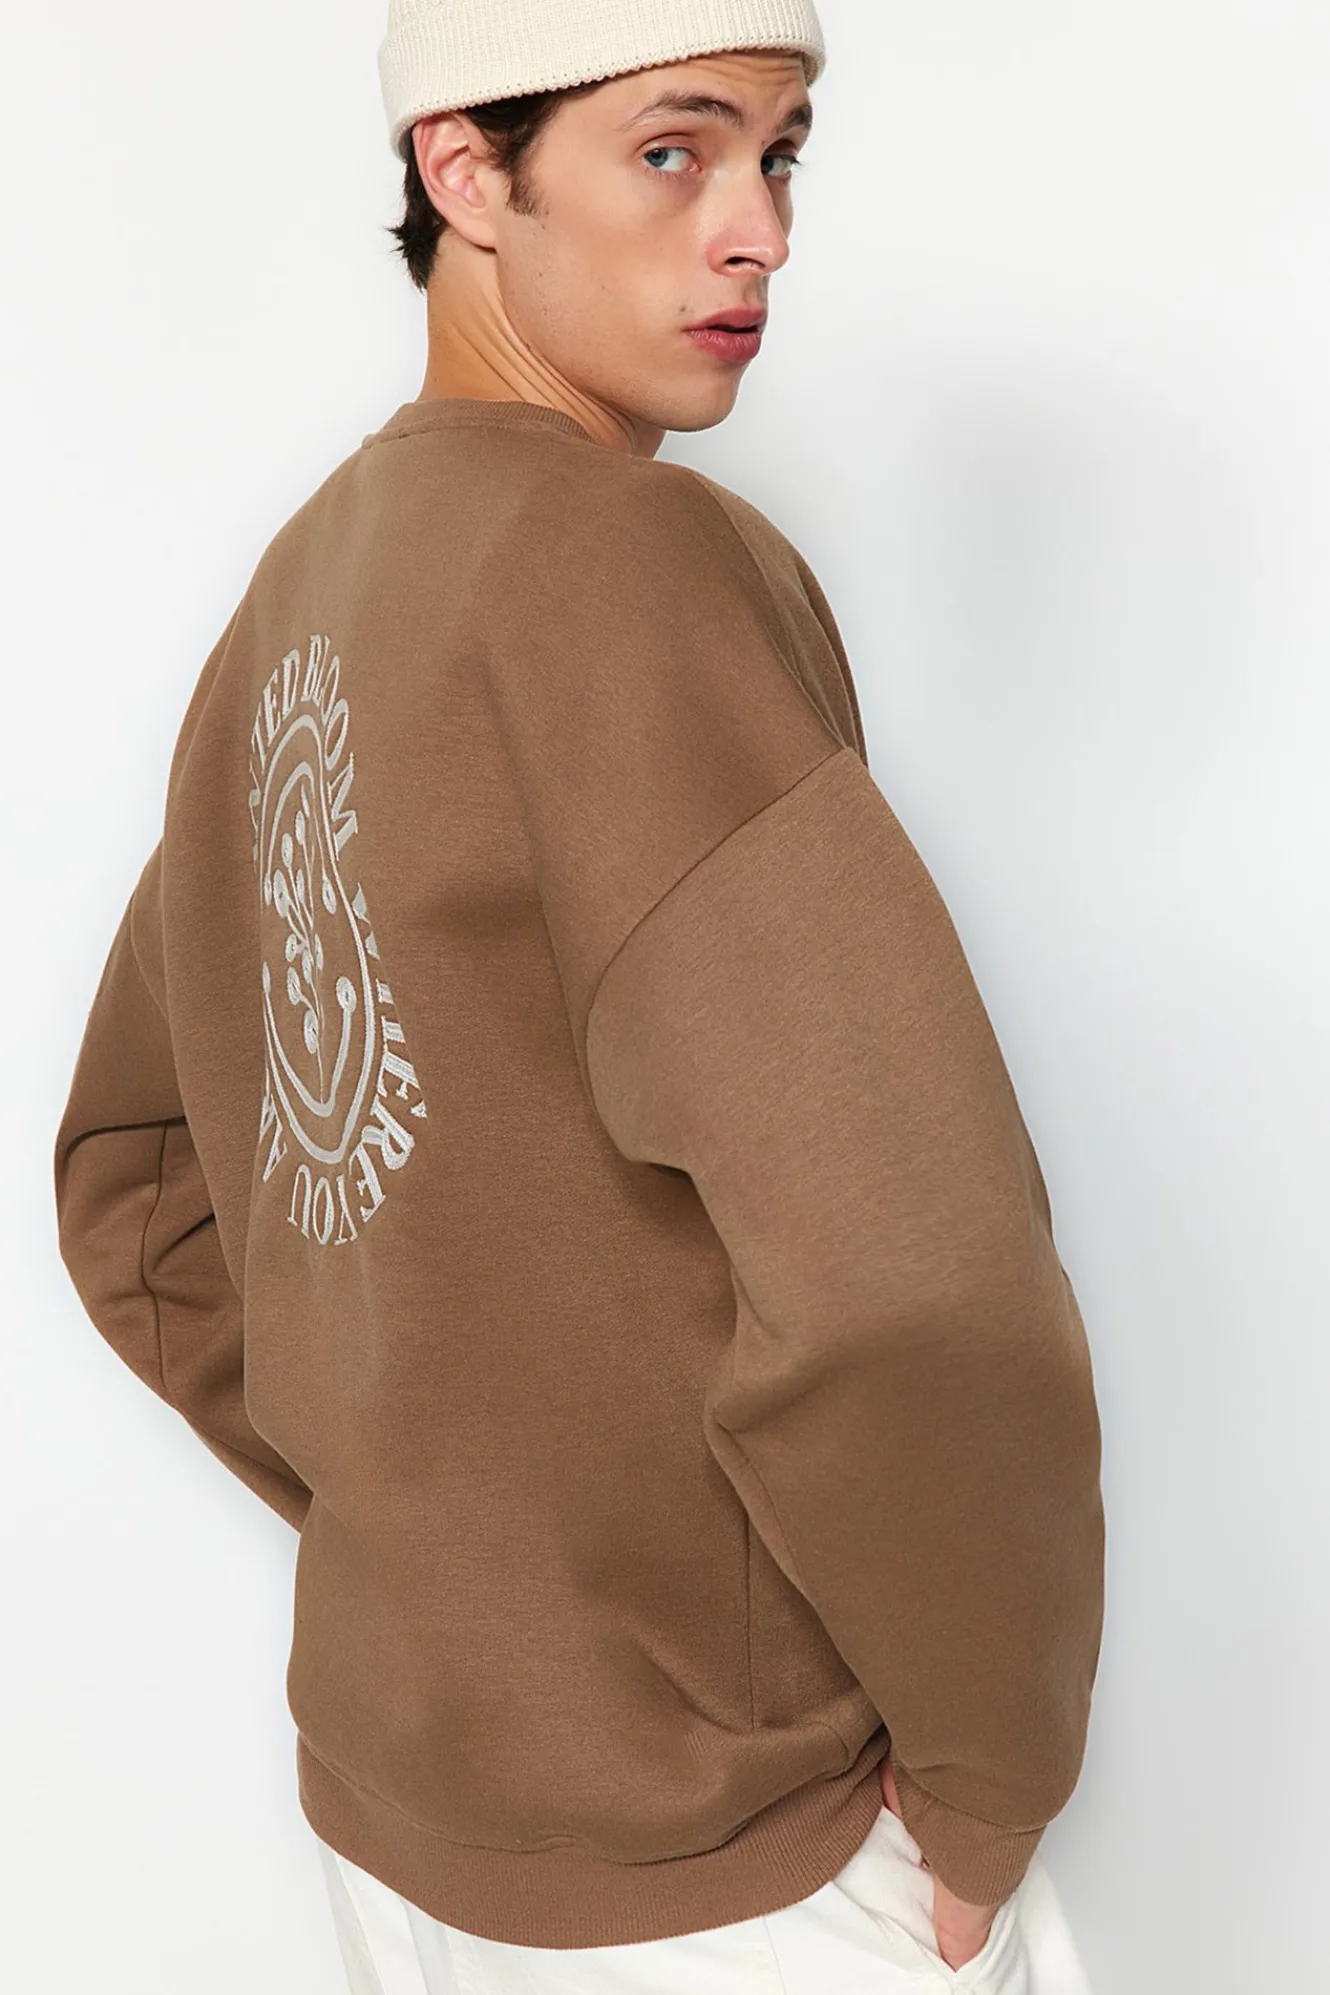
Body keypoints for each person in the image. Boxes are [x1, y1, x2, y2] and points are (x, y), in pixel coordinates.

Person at [51, 3, 1105, 1990]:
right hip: (733, 1866)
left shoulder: (304, 590)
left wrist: (429, 1546)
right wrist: (986, 1767)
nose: (757, 227)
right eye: (671, 150)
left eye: (779, 154)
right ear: (466, 169)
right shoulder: (629, 568)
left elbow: (138, 1186)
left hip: (403, 1815)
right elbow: (910, 1276)